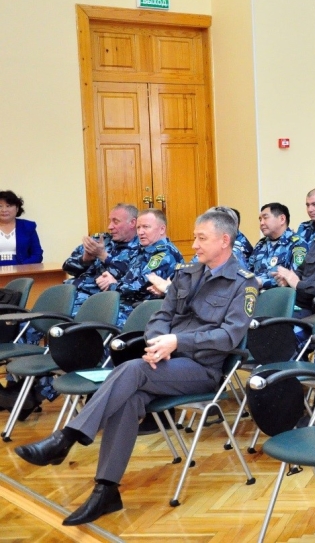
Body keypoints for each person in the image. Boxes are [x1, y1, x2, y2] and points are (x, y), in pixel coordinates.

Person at [14, 209, 256, 526]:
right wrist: (157, 343)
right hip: (165, 362)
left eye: (201, 238)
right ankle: (106, 491)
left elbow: (229, 336)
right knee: (128, 399)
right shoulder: (187, 274)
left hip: (203, 369)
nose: (194, 244)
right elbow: (160, 317)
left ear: (225, 240)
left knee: (131, 371)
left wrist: (176, 343)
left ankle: (66, 438)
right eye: (195, 237)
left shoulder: (244, 284)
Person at [104, 209, 183, 325]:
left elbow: (137, 287)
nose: (140, 232)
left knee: (100, 328)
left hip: (144, 312)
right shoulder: (142, 251)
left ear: (162, 229)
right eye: (138, 228)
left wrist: (111, 285)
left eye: (146, 227)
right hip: (128, 305)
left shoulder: (163, 254)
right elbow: (126, 277)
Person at [63, 204, 139, 315]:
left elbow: (127, 277)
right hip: (71, 291)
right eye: (110, 221)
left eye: (115, 222)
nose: (110, 226)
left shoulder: (140, 248)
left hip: (96, 301)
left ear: (132, 223)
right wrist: (85, 260)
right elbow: (67, 267)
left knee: (61, 323)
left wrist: (103, 255)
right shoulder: (100, 240)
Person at [248, 203, 301, 290]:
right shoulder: (260, 244)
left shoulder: (297, 244)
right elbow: (249, 270)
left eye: (265, 218)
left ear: (282, 219)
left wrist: (262, 282)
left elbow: (294, 278)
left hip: (280, 299)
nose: (261, 223)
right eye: (260, 219)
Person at [0, 190, 42, 266]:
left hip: (22, 270)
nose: (4, 210)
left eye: (8, 206)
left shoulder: (28, 226)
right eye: (0, 206)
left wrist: (22, 267)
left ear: (17, 208)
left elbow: (37, 254)